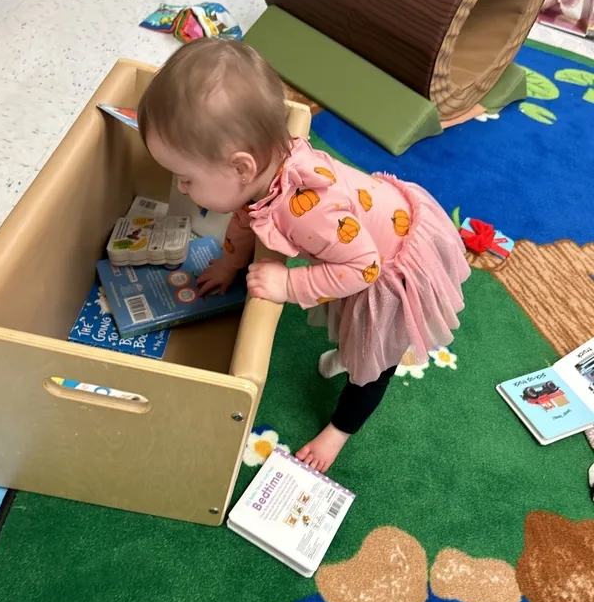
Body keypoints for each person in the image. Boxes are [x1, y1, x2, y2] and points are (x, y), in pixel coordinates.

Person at [138, 39, 470, 472]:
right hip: (364, 237)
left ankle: (339, 431)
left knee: (374, 361)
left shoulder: (311, 213)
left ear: (241, 167)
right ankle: (349, 354)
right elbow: (246, 217)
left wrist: (288, 284)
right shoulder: (263, 173)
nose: (181, 188)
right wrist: (227, 264)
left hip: (390, 266)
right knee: (348, 318)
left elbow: (364, 268)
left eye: (185, 178)